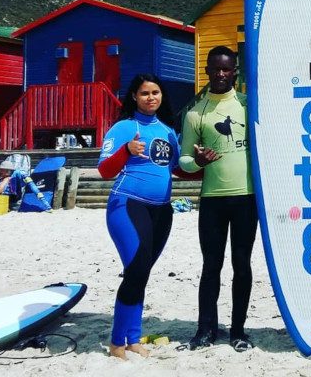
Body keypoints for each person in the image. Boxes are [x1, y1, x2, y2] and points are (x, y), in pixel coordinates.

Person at [180, 46, 257, 352]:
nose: (221, 74)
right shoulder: (196, 113)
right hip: (212, 199)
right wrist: (198, 162)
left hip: (246, 198)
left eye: (227, 69)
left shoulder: (249, 105)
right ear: (207, 71)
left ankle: (238, 330)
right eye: (216, 69)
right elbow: (184, 160)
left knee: (242, 264)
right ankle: (205, 330)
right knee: (211, 265)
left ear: (235, 72)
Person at [98, 73, 180, 360]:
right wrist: (126, 150)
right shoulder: (124, 127)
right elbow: (104, 170)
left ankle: (133, 339)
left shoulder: (168, 131)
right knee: (136, 269)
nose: (150, 98)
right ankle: (116, 343)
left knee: (141, 273)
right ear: (134, 96)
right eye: (145, 93)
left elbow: (176, 169)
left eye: (155, 92)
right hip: (128, 205)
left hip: (162, 210)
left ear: (162, 95)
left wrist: (202, 163)